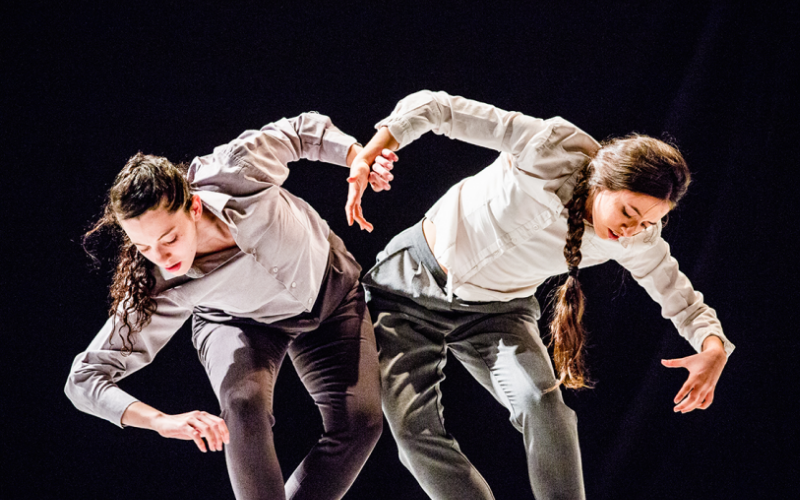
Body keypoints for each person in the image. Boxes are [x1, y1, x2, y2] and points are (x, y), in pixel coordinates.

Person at [344, 90, 734, 500]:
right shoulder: (548, 147)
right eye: (627, 213)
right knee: (413, 430)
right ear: (603, 182)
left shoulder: (636, 240)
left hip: (497, 313)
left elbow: (680, 296)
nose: (630, 231)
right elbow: (437, 108)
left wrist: (713, 347)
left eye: (648, 223)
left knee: (542, 405)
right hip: (408, 289)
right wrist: (372, 150)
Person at [65, 112, 396, 500]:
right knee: (242, 406)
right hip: (237, 321)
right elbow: (83, 378)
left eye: (169, 239)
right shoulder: (155, 286)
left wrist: (356, 155)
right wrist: (159, 421)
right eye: (144, 247)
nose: (162, 257)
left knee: (361, 424)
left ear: (194, 207)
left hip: (329, 291)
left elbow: (299, 131)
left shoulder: (236, 169)